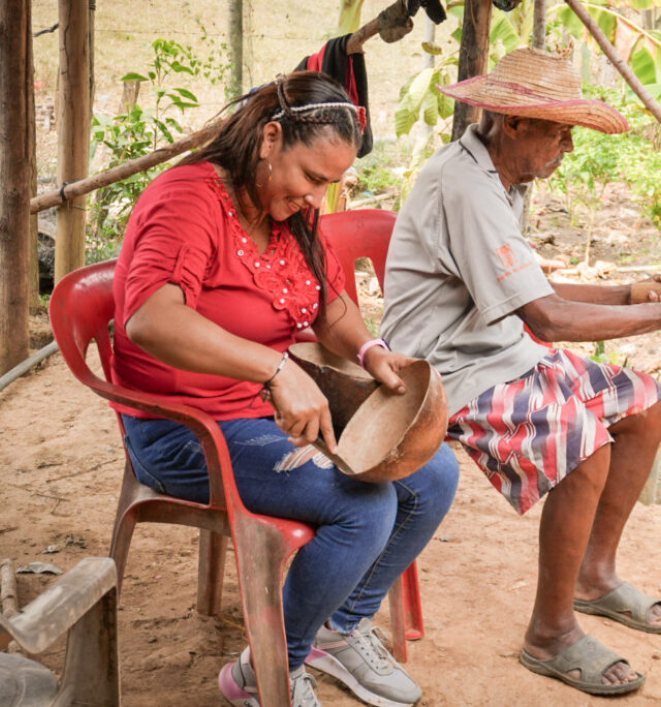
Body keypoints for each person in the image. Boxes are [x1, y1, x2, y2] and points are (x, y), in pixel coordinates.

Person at [380, 48, 661, 697]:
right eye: (559, 129)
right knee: (582, 446)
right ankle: (551, 632)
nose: (568, 145)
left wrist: (626, 294)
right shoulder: (466, 185)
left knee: (647, 403)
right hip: (444, 371)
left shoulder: (500, 178)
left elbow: (528, 290)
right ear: (513, 123)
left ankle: (594, 575)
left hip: (499, 349)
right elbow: (547, 315)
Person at [112, 71, 459, 707]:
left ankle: (337, 628)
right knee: (363, 507)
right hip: (187, 428)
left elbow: (328, 308)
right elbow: (149, 318)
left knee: (432, 474)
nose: (317, 197)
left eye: (330, 183)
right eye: (313, 177)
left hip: (266, 413)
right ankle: (264, 670)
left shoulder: (293, 212)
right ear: (271, 137)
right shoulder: (188, 200)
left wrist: (372, 350)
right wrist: (276, 371)